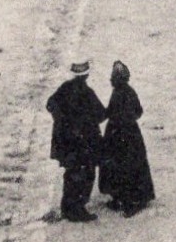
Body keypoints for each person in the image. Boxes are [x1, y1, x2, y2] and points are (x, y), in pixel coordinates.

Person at [45, 61, 107, 222]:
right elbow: (101, 115)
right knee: (86, 175)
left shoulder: (65, 88)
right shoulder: (87, 93)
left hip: (66, 143)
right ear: (86, 75)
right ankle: (78, 209)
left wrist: (62, 122)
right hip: (84, 144)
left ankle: (67, 207)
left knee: (71, 173)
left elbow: (50, 104)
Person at [98, 61, 156, 217]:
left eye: (113, 77)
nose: (111, 79)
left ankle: (131, 201)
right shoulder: (128, 91)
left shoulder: (119, 92)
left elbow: (113, 112)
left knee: (124, 167)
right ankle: (124, 197)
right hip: (129, 134)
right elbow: (139, 111)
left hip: (120, 135)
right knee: (128, 166)